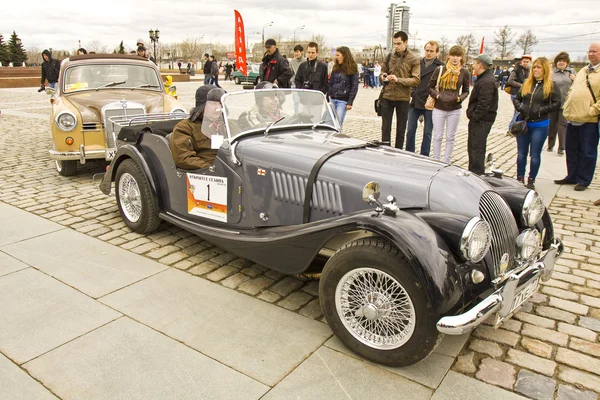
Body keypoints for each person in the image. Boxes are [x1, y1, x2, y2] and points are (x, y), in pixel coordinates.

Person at [555, 42, 600, 192]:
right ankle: (572, 175)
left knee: (587, 151)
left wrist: (592, 110)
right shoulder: (584, 70)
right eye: (589, 51)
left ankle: (583, 179)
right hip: (572, 117)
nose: (591, 54)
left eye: (594, 51)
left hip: (589, 120)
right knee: (571, 149)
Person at [513, 57, 560, 189]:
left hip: (540, 124)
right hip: (524, 123)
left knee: (534, 154)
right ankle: (520, 177)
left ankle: (531, 178)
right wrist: (520, 107)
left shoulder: (551, 85)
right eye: (534, 67)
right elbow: (517, 98)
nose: (536, 70)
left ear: (545, 69)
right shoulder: (527, 83)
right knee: (521, 153)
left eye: (539, 67)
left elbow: (557, 103)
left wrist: (542, 110)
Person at [378, 31, 420, 148]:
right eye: (394, 44)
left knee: (401, 129)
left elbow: (416, 80)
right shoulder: (389, 56)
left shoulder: (413, 58)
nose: (396, 46)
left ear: (406, 42)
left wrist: (399, 80)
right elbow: (382, 73)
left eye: (399, 43)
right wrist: (383, 77)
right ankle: (385, 151)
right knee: (385, 128)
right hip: (387, 96)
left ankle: (398, 152)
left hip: (403, 98)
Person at [429, 45, 470, 164]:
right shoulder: (440, 69)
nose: (455, 58)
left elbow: (466, 90)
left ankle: (446, 161)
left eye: (458, 56)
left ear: (461, 57)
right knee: (437, 136)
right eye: (453, 55)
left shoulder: (464, 72)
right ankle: (436, 160)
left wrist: (459, 98)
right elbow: (430, 86)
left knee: (450, 137)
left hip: (454, 108)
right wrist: (437, 95)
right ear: (449, 56)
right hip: (439, 107)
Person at [170, 85, 226, 169]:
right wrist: (212, 169)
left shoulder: (227, 125)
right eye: (213, 104)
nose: (218, 108)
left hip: (231, 170)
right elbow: (183, 158)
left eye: (221, 104)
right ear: (202, 106)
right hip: (206, 175)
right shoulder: (185, 128)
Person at [406, 40, 444, 156]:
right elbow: (411, 78)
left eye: (431, 51)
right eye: (427, 50)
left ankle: (424, 155)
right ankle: (409, 152)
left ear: (436, 52)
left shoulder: (441, 67)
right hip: (415, 100)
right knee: (411, 129)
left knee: (428, 132)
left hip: (430, 101)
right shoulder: (418, 62)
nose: (428, 53)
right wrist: (412, 93)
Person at [466, 54, 499, 175]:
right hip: (480, 120)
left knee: (477, 149)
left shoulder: (486, 81)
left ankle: (476, 174)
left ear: (480, 65)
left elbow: (484, 103)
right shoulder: (484, 78)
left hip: (481, 121)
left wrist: (475, 117)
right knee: (474, 148)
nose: (472, 66)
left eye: (474, 63)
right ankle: (473, 172)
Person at [547, 52, 575, 155]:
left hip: (566, 103)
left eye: (563, 61)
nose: (561, 63)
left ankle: (561, 147)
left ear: (567, 62)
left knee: (562, 125)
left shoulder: (571, 72)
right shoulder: (552, 73)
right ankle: (550, 144)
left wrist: (574, 80)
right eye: (559, 61)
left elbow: (577, 85)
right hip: (553, 103)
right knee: (552, 125)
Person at [295, 41, 329, 121]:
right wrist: (301, 92)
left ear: (317, 53)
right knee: (304, 123)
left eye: (313, 52)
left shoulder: (323, 67)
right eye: (309, 52)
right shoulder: (302, 66)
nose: (310, 55)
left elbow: (325, 84)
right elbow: (297, 80)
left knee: (315, 122)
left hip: (317, 102)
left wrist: (318, 95)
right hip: (304, 101)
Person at [328, 46, 359, 126]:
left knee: (337, 124)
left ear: (344, 55)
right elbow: (331, 83)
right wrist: (327, 97)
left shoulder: (353, 68)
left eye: (338, 55)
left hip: (343, 101)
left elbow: (354, 87)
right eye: (336, 55)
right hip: (332, 99)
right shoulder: (335, 67)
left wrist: (350, 102)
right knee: (327, 123)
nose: (336, 57)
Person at [507, 55, 532, 133]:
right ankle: (511, 129)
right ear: (521, 62)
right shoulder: (516, 70)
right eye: (524, 61)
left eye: (527, 62)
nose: (525, 63)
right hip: (515, 93)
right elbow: (510, 81)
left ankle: (515, 128)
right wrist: (521, 85)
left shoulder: (529, 71)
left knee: (517, 111)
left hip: (525, 93)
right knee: (518, 111)